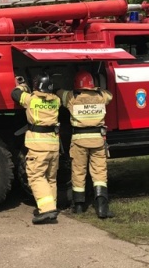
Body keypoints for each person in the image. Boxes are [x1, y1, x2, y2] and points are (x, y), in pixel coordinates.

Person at [57, 71, 114, 218]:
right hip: (98, 139)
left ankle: (79, 206)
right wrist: (97, 89)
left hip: (79, 140)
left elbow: (59, 93)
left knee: (78, 171)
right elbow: (109, 95)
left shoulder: (72, 97)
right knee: (100, 173)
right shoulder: (102, 96)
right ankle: (102, 208)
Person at [11, 73, 61, 224]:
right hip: (53, 145)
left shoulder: (31, 99)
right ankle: (52, 206)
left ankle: (46, 210)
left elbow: (15, 94)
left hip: (38, 146)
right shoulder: (57, 101)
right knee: (50, 178)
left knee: (36, 177)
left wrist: (22, 85)